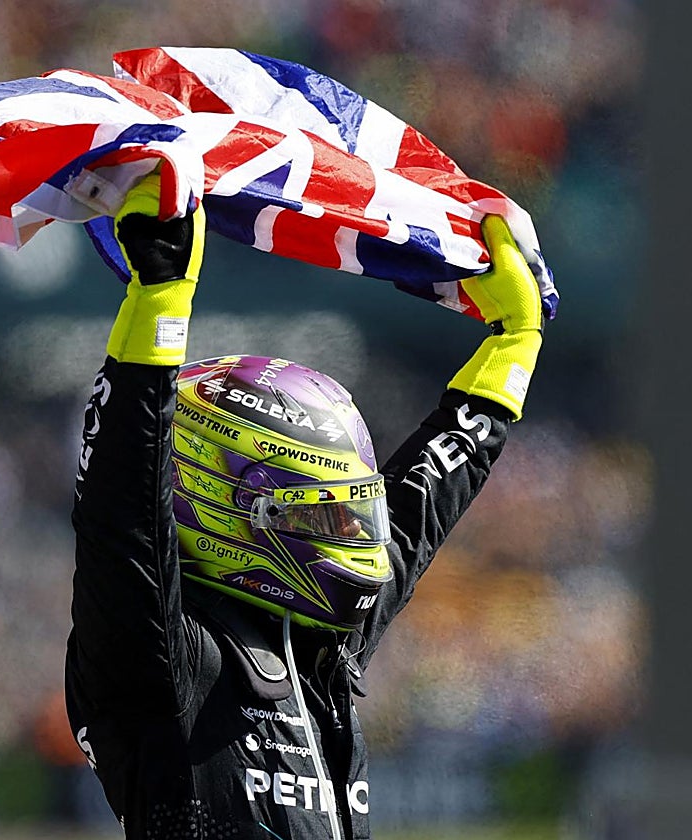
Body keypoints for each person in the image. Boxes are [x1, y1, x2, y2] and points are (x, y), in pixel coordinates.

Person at [65, 170, 544, 839]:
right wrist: (159, 300)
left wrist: (511, 348)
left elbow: (418, 510)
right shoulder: (159, 663)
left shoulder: (320, 640)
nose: (349, 536)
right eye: (319, 515)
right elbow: (119, 522)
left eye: (352, 513)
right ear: (221, 500)